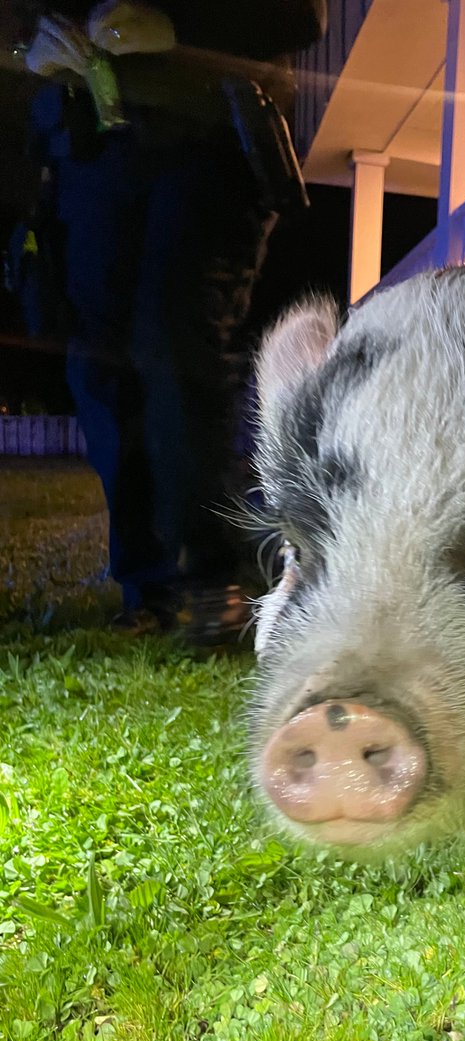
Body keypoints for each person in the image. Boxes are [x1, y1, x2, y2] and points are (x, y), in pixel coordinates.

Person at [17, 1, 324, 639]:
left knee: (177, 342)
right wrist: (29, 42)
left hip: (207, 140)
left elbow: (298, 16)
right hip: (88, 149)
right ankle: (145, 585)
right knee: (99, 367)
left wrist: (183, 30)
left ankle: (211, 575)